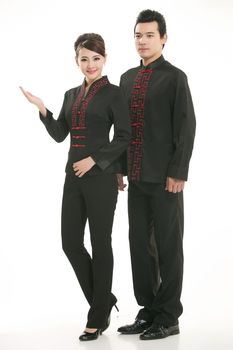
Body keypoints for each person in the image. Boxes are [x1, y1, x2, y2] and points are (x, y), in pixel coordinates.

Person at [20, 33, 131, 341]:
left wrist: (95, 160)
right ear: (76, 60)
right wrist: (43, 109)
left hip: (101, 179)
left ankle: (96, 317)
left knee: (100, 243)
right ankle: (104, 300)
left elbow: (123, 136)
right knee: (70, 242)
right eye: (84, 58)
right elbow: (59, 134)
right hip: (72, 179)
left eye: (96, 58)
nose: (90, 64)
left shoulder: (114, 93)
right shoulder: (70, 94)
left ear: (104, 59)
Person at [117, 10, 196, 340]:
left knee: (168, 246)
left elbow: (186, 126)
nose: (142, 41)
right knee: (139, 246)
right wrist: (119, 170)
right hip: (135, 176)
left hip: (165, 179)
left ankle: (168, 316)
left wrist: (178, 171)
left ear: (163, 38)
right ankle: (148, 311)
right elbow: (122, 130)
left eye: (149, 35)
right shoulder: (126, 78)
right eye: (138, 35)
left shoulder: (175, 78)